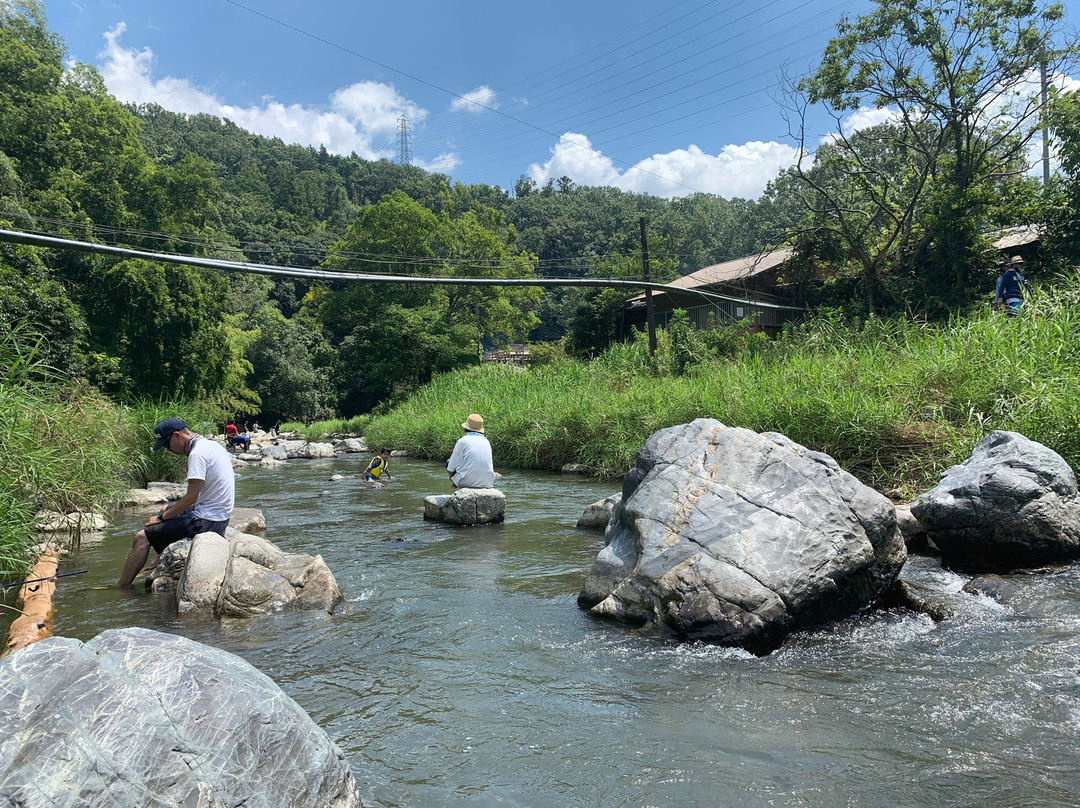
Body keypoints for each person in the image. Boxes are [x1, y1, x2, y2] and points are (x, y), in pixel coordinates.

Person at [118, 418, 235, 587]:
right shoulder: (211, 445)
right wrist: (165, 513)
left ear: (177, 436)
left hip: (206, 522)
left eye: (166, 445)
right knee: (166, 508)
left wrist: (162, 518)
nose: (167, 450)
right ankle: (155, 564)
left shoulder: (197, 454)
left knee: (142, 537)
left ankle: (122, 587)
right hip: (218, 515)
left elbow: (191, 498)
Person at [446, 413, 495, 489]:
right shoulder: (486, 441)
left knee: (449, 462)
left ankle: (457, 483)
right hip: (487, 482)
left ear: (466, 428)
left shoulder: (463, 441)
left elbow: (450, 467)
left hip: (467, 482)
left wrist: (453, 480)